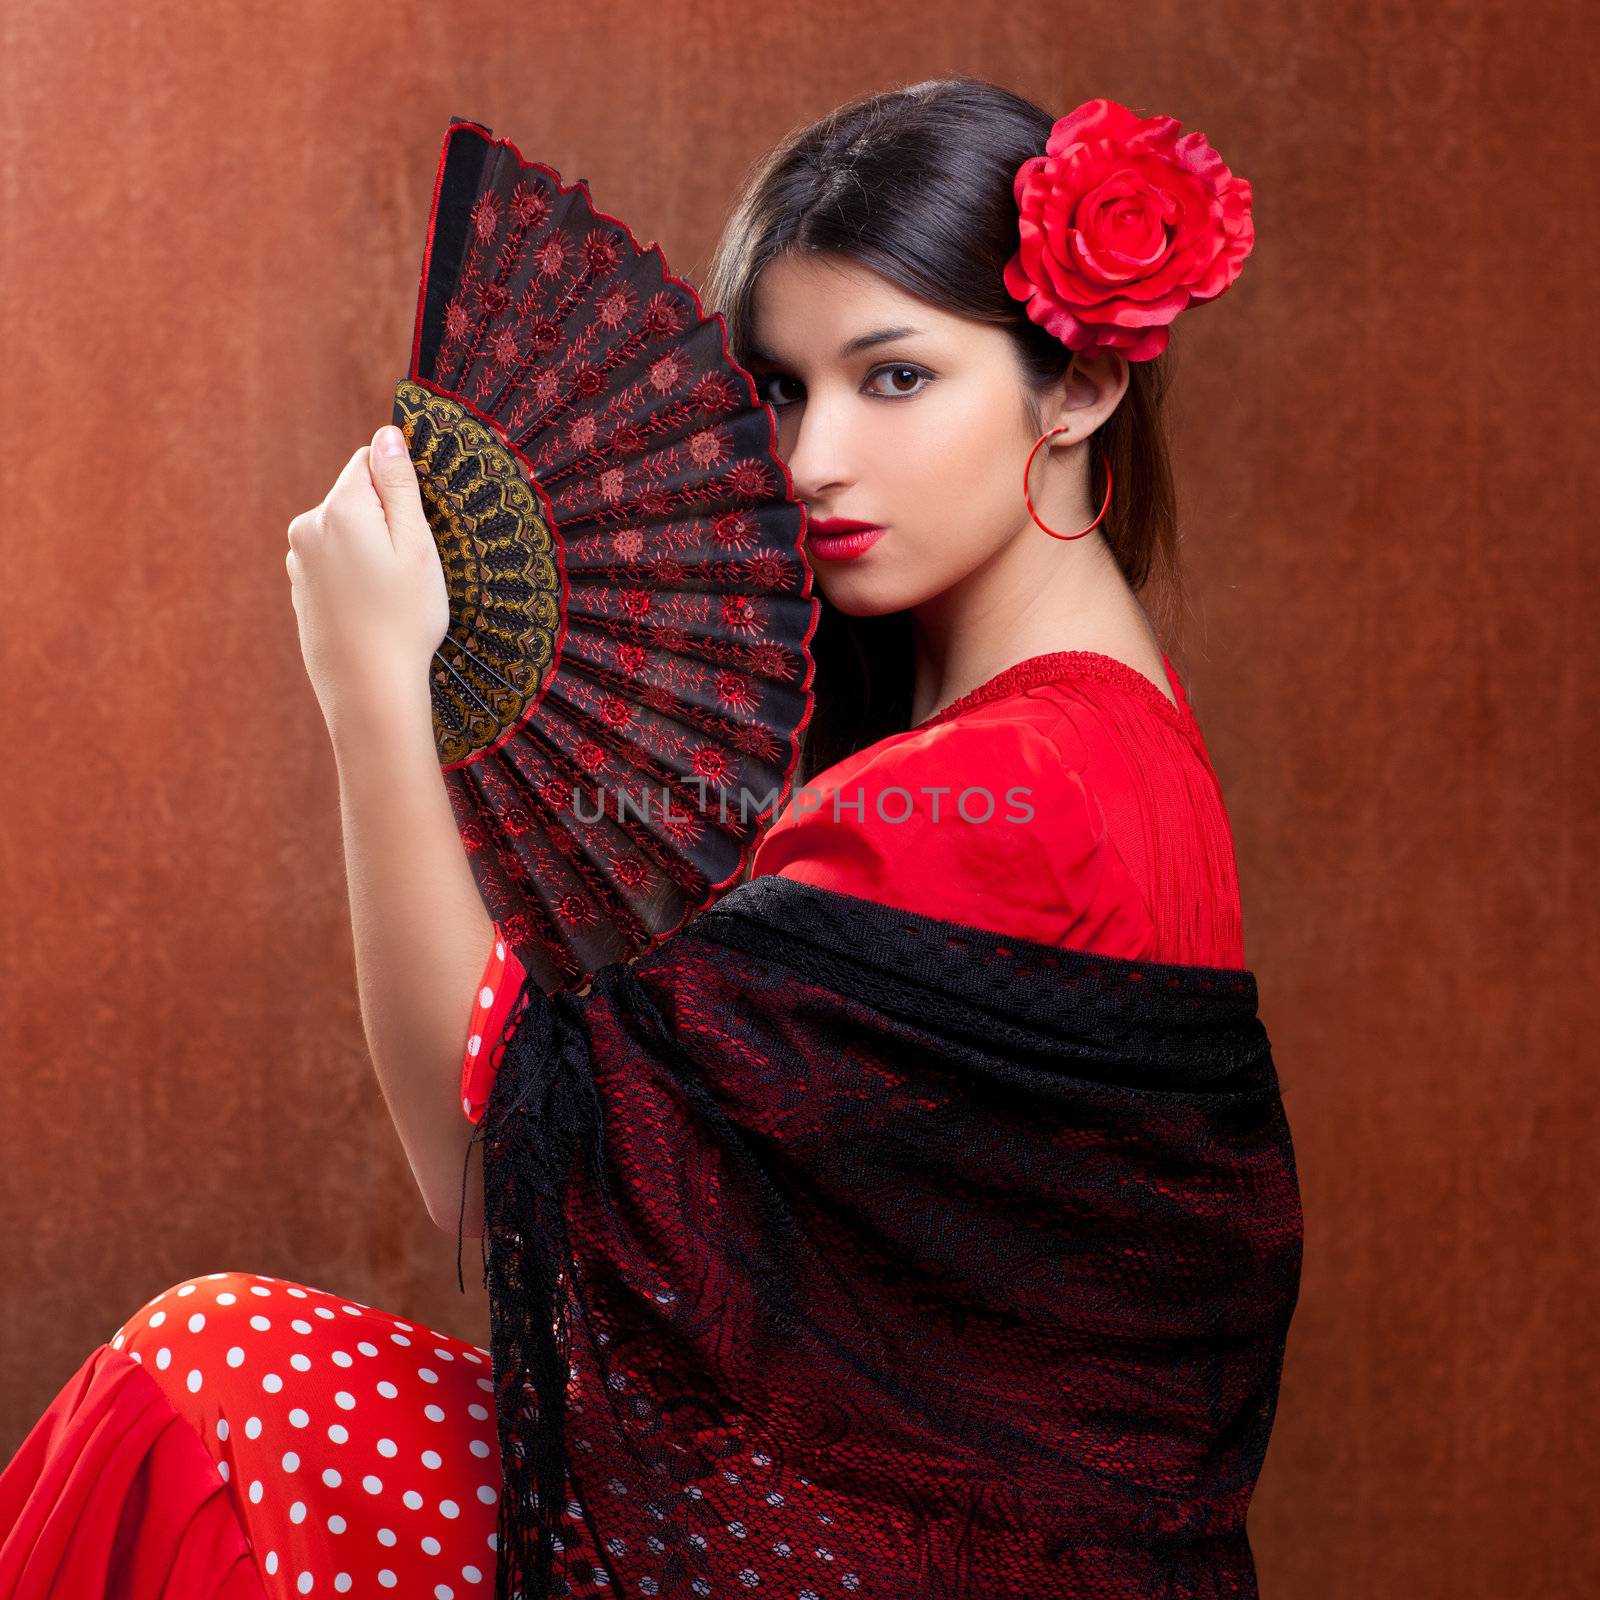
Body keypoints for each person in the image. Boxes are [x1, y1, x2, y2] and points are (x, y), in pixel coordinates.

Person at [0, 77, 1301, 1599]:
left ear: (1074, 384)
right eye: (779, 388)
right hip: (876, 1523)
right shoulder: (1113, 738)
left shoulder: (1012, 796)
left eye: (893, 379)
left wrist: (374, 701)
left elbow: (498, 1163)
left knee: (224, 1390)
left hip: (893, 1563)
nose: (812, 459)